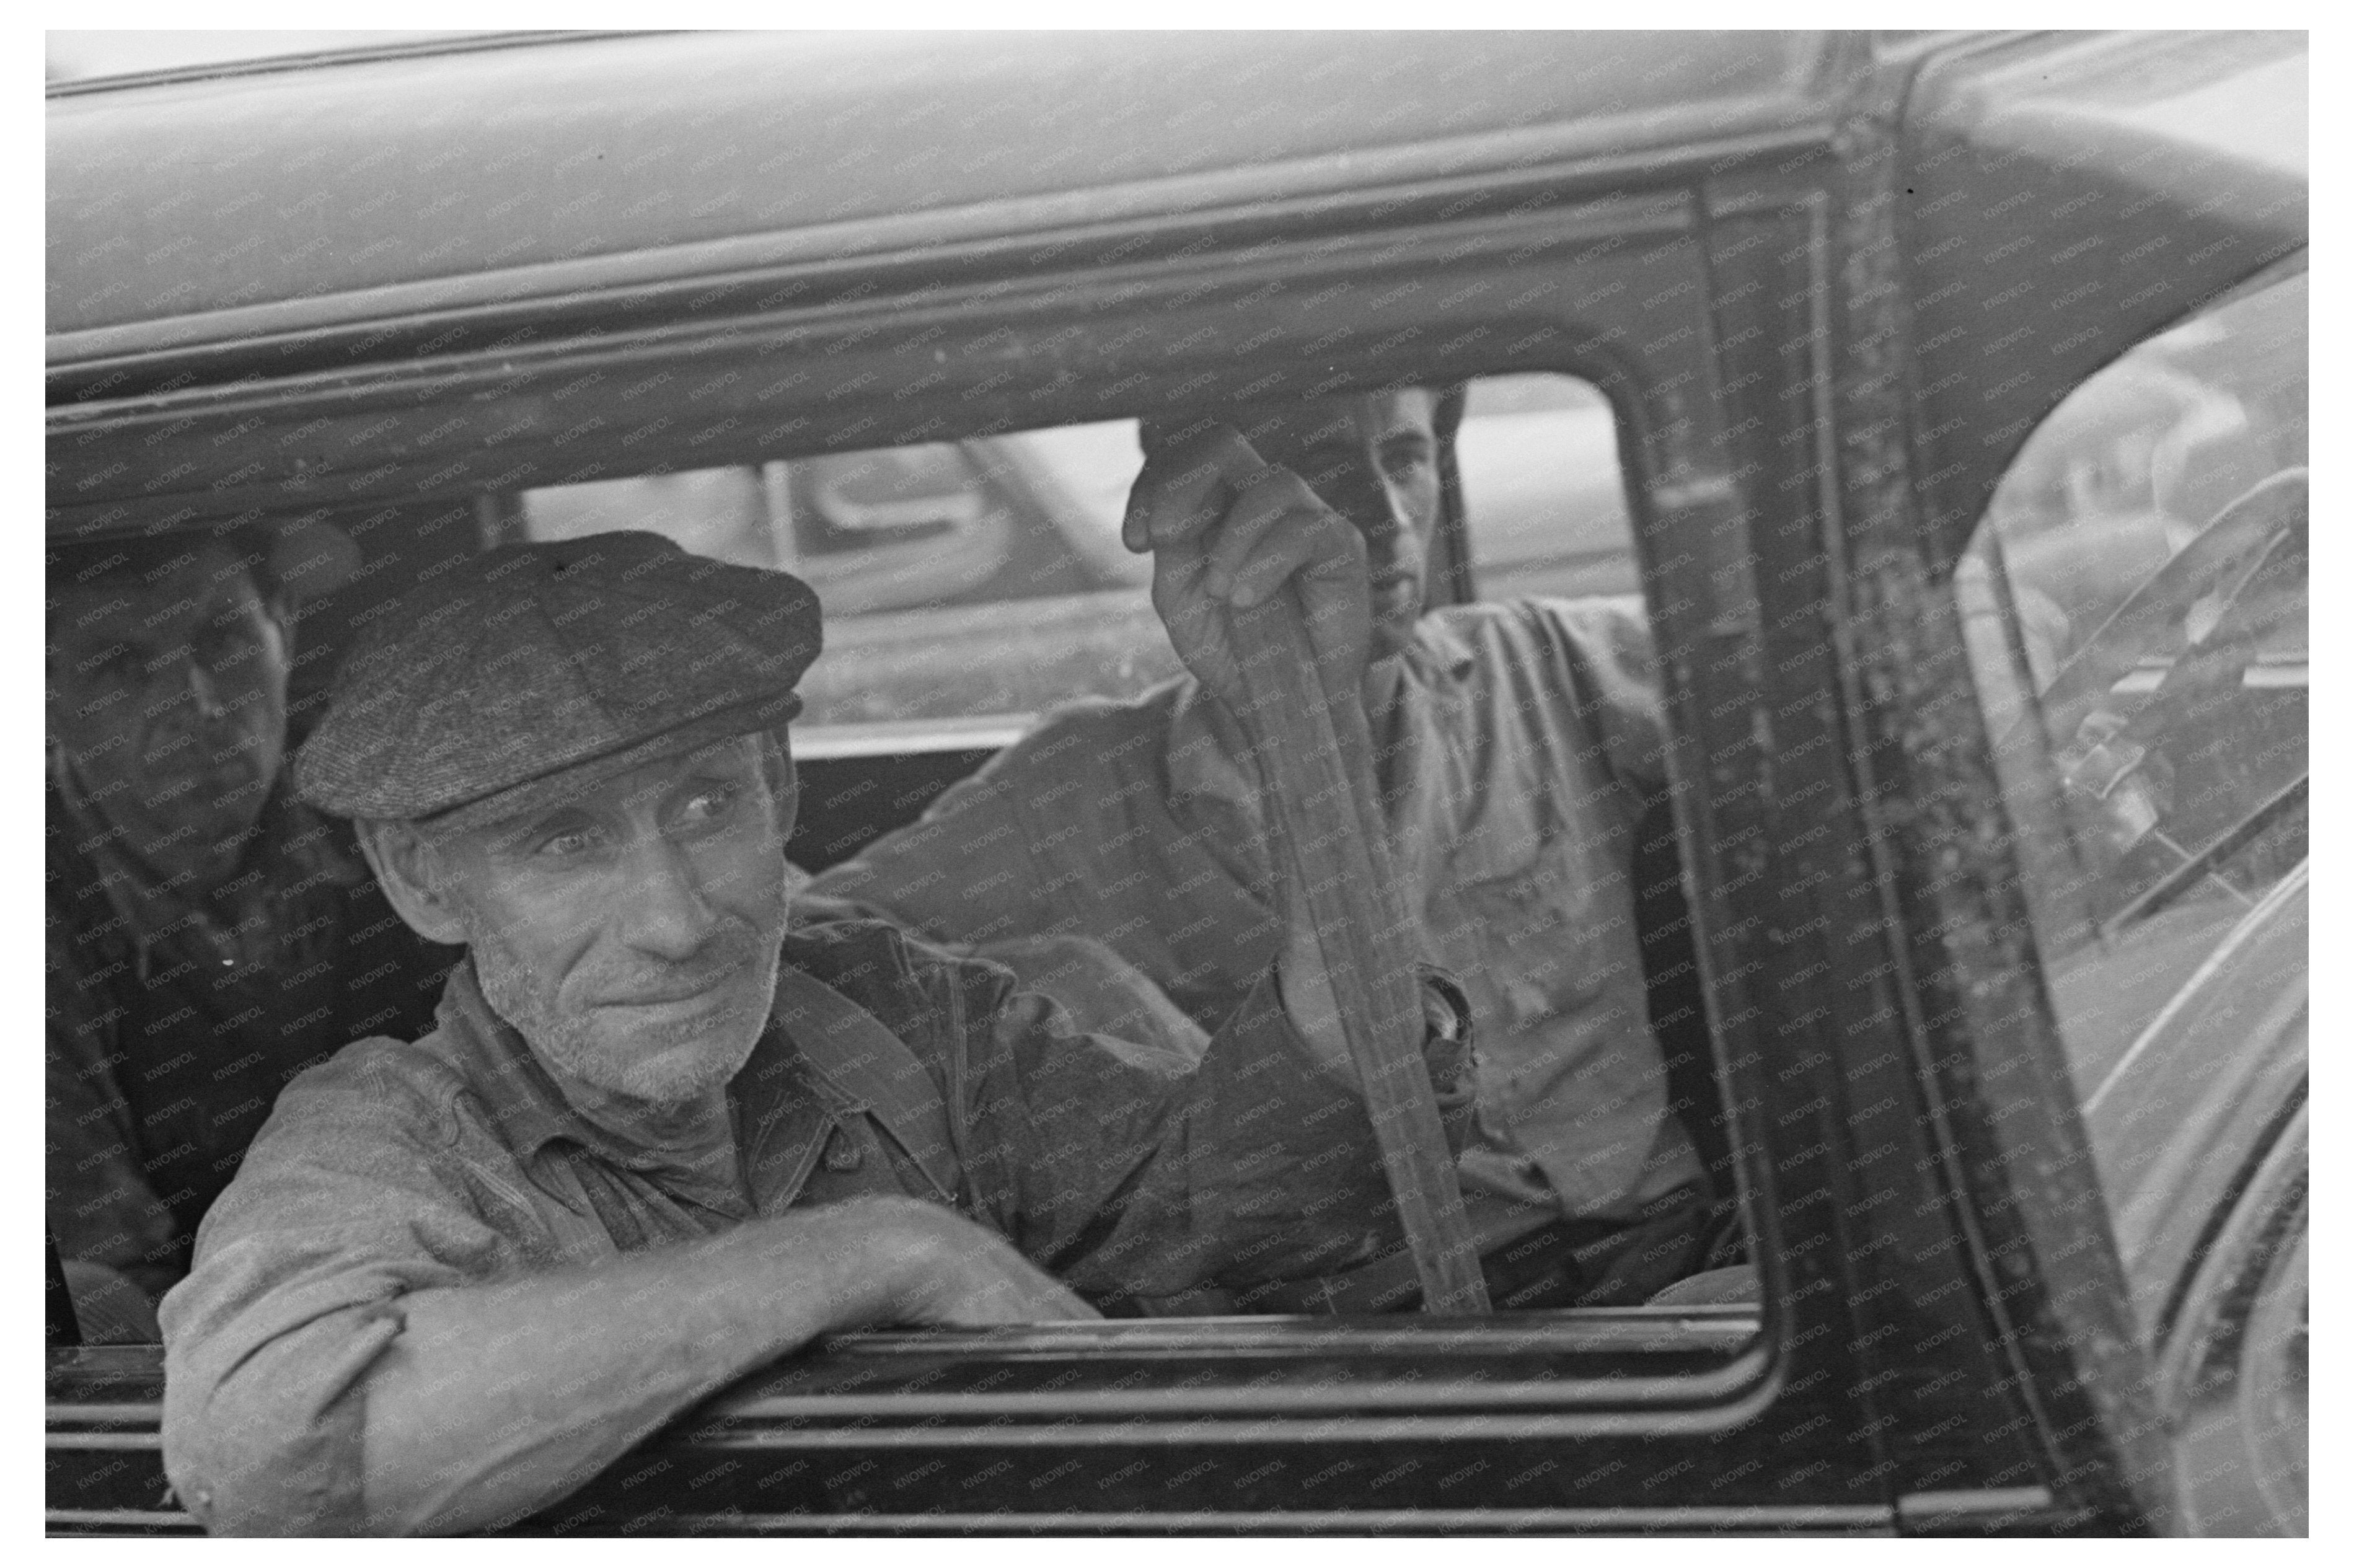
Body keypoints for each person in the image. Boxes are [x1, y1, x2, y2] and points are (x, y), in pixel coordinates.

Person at [159, 478, 1477, 1535]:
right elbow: (279, 1460)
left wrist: (1297, 726)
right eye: (561, 843)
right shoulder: (381, 1136)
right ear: (419, 879)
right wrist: (881, 1255)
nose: (677, 921)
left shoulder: (894, 1009)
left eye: (704, 805)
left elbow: (1261, 1203)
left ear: (781, 790)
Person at [811, 388, 1740, 1307]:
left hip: (1679, 1263)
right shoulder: (1080, 786)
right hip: (1409, 1318)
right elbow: (814, 947)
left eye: (1405, 459)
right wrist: (1111, 1025)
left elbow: (1810, 690)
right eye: (1330, 465)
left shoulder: (1545, 665)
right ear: (1202, 506)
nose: (1380, 512)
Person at [46, 524, 446, 1342]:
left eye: (220, 638)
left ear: (284, 626)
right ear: (44, 693)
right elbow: (114, 1291)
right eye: (118, 667)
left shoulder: (397, 806)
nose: (192, 707)